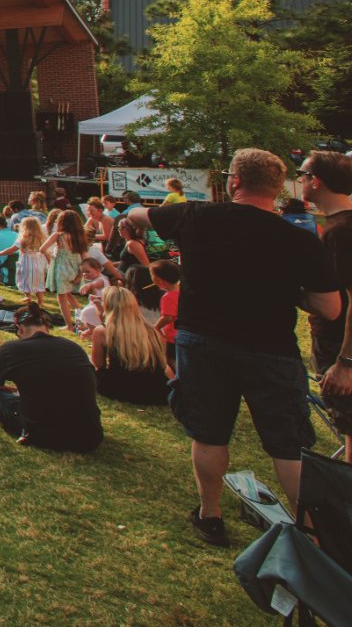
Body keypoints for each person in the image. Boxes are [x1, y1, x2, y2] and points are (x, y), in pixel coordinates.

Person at [130, 148, 342, 546]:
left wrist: (156, 215)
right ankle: (312, 536)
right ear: (278, 190)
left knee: (210, 435)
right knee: (287, 445)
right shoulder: (299, 240)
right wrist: (290, 292)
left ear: (234, 181)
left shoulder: (196, 216)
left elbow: (136, 216)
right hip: (271, 348)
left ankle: (210, 514)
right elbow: (330, 308)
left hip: (202, 341)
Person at [0, 302, 101, 452]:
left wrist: (9, 389)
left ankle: (12, 423)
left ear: (20, 329)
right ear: (46, 327)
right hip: (89, 436)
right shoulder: (73, 347)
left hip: (44, 434)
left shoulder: (11, 349)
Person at [299, 150, 352, 459]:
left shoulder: (340, 232)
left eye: (302, 176)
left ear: (316, 182)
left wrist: (346, 363)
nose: (300, 181)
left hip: (339, 348)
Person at [88, 285, 172, 404]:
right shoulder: (152, 330)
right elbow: (162, 363)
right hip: (156, 391)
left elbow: (99, 365)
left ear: (108, 305)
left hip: (120, 389)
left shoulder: (103, 331)